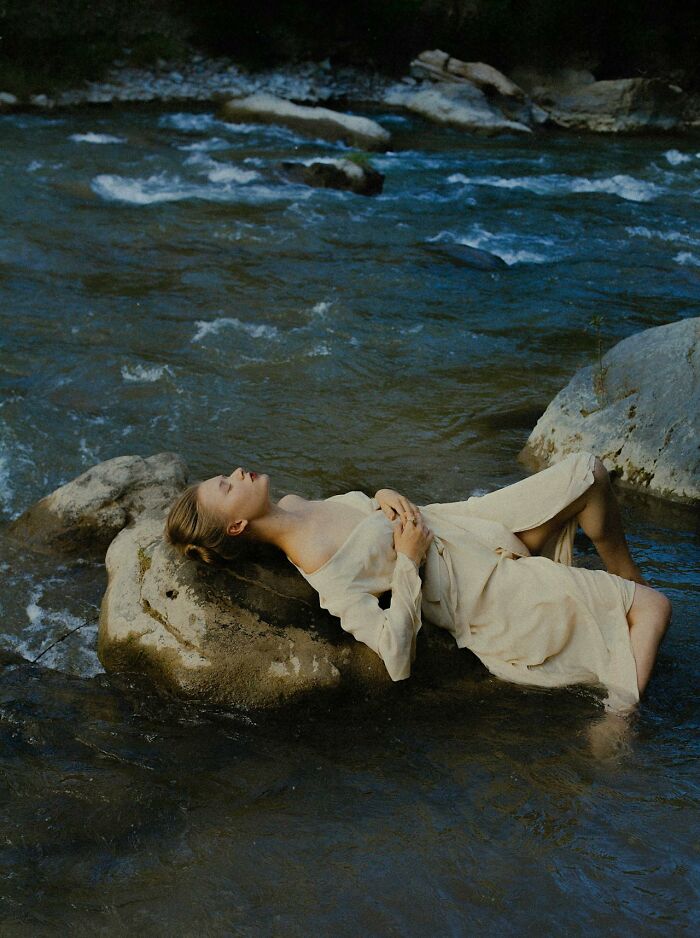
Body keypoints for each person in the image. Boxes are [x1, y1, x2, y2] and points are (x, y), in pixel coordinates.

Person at [165, 451, 672, 712]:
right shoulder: (324, 571)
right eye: (227, 486)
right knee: (653, 609)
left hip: (467, 524)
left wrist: (383, 493)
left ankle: (623, 578)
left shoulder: (294, 504)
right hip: (478, 585)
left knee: (588, 471)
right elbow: (395, 658)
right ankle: (618, 711)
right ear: (235, 527)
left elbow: (361, 510)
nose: (237, 472)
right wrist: (407, 562)